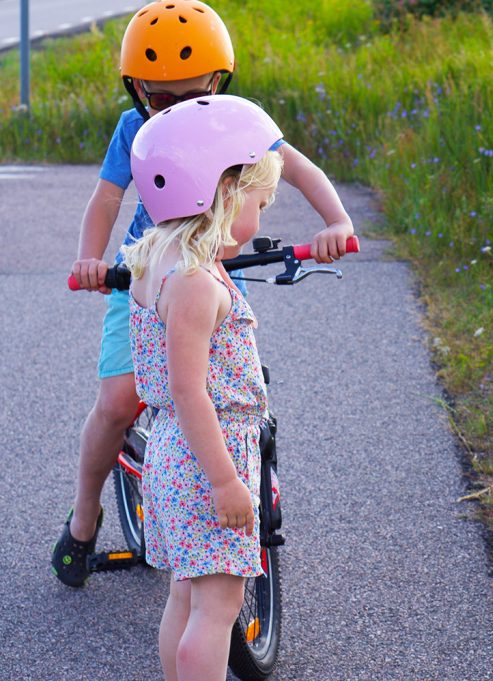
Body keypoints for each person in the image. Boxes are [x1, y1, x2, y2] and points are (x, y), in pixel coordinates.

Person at [53, 0, 354, 587]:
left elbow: (299, 170)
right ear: (136, 88)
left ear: (218, 83)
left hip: (215, 276)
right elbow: (108, 200)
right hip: (147, 280)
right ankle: (86, 513)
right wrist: (92, 259)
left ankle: (247, 479)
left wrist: (336, 222)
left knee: (238, 391)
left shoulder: (241, 123)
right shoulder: (132, 127)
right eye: (157, 97)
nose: (171, 108)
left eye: (188, 95)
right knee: (119, 403)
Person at [123, 94, 282, 679]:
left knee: (186, 599)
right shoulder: (194, 282)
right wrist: (226, 481)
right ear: (224, 191)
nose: (262, 219)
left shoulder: (162, 258)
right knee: (218, 607)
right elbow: (191, 392)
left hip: (174, 451)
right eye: (259, 203)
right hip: (203, 456)